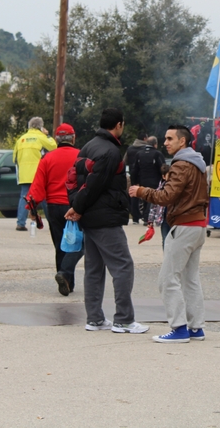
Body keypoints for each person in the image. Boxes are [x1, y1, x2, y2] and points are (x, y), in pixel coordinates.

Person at [65, 108, 148, 334]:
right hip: (105, 216)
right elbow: (94, 186)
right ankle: (123, 319)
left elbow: (75, 179)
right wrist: (77, 208)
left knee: (94, 269)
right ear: (119, 125)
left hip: (91, 218)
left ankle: (95, 319)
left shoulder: (87, 146)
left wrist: (76, 206)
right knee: (123, 266)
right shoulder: (111, 152)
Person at [129, 124, 209, 343]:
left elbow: (167, 196)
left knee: (167, 278)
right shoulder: (197, 163)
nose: (165, 142)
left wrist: (141, 191)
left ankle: (179, 328)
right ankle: (195, 328)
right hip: (197, 225)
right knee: (190, 279)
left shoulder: (181, 165)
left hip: (184, 226)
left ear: (182, 141)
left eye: (169, 138)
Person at [26, 123, 83, 296]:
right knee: (80, 244)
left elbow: (37, 186)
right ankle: (65, 274)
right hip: (74, 205)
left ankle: (66, 282)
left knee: (60, 244)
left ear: (56, 139)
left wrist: (32, 207)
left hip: (53, 207)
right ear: (73, 138)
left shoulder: (47, 159)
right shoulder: (81, 156)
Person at [13, 117, 57, 231]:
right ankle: (52, 222)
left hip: (24, 174)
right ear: (41, 127)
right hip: (38, 173)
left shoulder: (21, 139)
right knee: (44, 197)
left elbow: (14, 158)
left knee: (24, 197)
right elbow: (54, 146)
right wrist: (47, 135)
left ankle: (20, 223)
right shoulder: (41, 137)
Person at [132, 135, 164, 225]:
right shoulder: (157, 154)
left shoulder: (139, 154)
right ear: (155, 144)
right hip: (154, 180)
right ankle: (147, 218)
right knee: (152, 198)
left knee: (145, 197)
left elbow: (135, 169)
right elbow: (162, 168)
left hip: (142, 179)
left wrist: (135, 181)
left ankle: (144, 217)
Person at [124, 132, 149, 224]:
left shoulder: (130, 148)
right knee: (145, 194)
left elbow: (124, 161)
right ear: (145, 139)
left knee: (134, 195)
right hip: (144, 175)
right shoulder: (145, 149)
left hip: (132, 174)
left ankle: (135, 217)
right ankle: (145, 216)